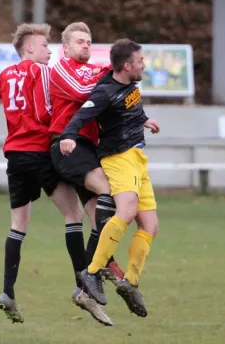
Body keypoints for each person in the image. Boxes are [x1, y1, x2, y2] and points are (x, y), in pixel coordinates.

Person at [0, 23, 111, 325]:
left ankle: (7, 292)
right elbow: (50, 112)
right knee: (73, 216)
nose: (49, 51)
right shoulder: (46, 73)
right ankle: (84, 286)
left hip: (14, 155)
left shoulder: (4, 76)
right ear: (29, 47)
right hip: (40, 151)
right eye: (44, 45)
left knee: (18, 225)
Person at [60, 38, 160, 318]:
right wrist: (68, 137)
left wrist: (144, 119)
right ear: (127, 66)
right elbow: (82, 115)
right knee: (126, 211)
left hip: (138, 159)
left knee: (150, 225)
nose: (144, 65)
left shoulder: (129, 85)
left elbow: (128, 109)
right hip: (119, 158)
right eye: (140, 61)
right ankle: (92, 272)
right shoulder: (104, 92)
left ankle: (130, 283)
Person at [49, 22, 124, 287]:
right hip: (67, 143)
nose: (85, 46)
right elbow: (83, 91)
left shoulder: (92, 70)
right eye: (80, 41)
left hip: (88, 147)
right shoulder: (61, 68)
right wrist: (105, 74)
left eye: (89, 42)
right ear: (66, 47)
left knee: (99, 216)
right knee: (107, 192)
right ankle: (95, 269)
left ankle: (91, 277)